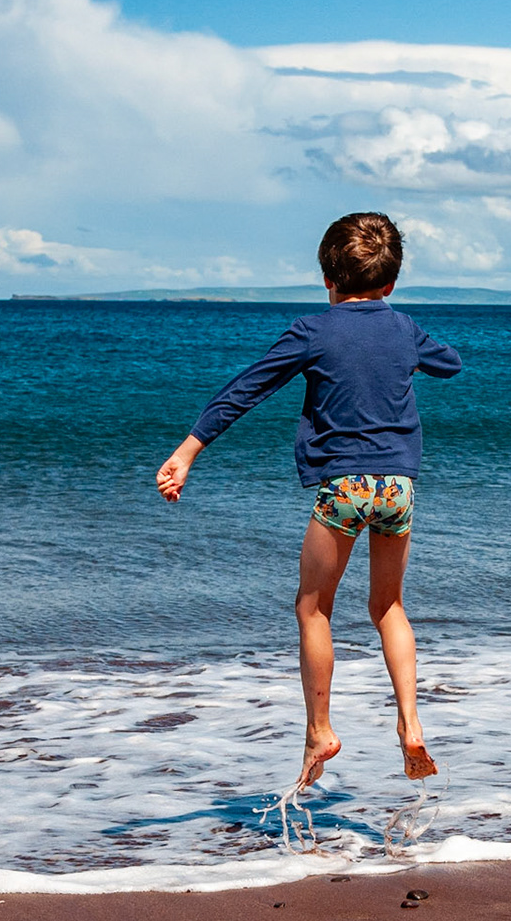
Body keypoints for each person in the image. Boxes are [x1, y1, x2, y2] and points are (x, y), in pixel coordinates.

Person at [156, 212, 462, 793]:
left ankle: (320, 729)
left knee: (313, 608)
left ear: (328, 278)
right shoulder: (403, 327)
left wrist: (188, 451)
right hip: (398, 488)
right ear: (391, 282)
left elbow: (246, 388)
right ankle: (410, 722)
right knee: (388, 607)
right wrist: (405, 339)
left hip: (343, 488)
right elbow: (450, 363)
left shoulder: (313, 331)